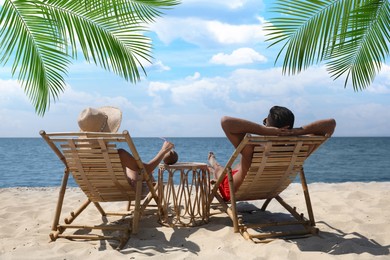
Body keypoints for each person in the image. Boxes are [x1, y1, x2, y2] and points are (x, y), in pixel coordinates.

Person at [208, 105, 336, 201]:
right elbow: (330, 124)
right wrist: (297, 132)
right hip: (270, 189)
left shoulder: (253, 148)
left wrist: (265, 131)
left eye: (265, 122)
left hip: (232, 190)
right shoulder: (300, 149)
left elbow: (226, 122)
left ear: (269, 127)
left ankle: (214, 164)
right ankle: (214, 164)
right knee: (237, 166)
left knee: (221, 170)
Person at [77, 106, 174, 189]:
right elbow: (146, 169)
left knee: (134, 168)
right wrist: (163, 151)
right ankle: (159, 203)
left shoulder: (81, 156)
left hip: (96, 190)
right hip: (122, 190)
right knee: (145, 171)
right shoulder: (119, 155)